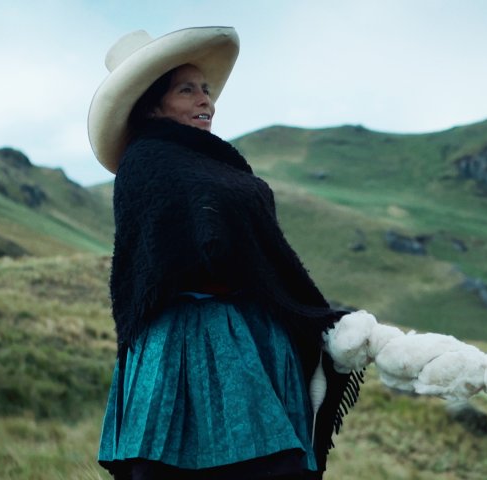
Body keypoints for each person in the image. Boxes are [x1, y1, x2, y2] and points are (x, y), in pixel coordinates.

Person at [88, 27, 363, 479]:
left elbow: (257, 249)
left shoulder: (220, 162)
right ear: (153, 104)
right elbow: (170, 255)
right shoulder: (146, 162)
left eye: (207, 90)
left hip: (250, 336)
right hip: (184, 341)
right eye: (188, 90)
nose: (207, 102)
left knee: (274, 465)